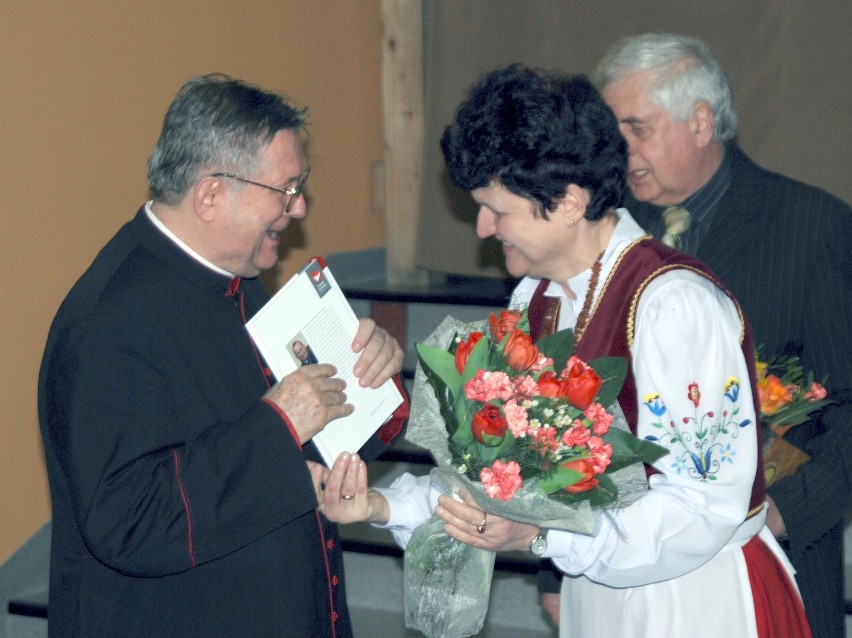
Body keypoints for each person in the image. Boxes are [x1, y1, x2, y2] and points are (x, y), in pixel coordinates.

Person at [313, 65, 811, 637]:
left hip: (694, 600)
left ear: (570, 201)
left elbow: (703, 507)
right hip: (597, 597)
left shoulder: (673, 304)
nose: (481, 228)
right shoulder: (540, 295)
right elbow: (499, 479)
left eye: (498, 209)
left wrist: (544, 536)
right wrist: (377, 506)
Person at [37, 73, 408, 637]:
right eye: (286, 189)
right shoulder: (109, 321)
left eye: (300, 185)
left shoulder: (236, 280)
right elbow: (130, 522)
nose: (300, 207)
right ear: (210, 194)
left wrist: (370, 375)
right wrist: (280, 422)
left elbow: (312, 446)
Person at [591, 33, 852, 638]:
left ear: (701, 122)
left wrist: (788, 513)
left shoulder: (813, 227)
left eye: (637, 129)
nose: (620, 151)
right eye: (613, 134)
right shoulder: (609, 234)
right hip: (633, 564)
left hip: (773, 549)